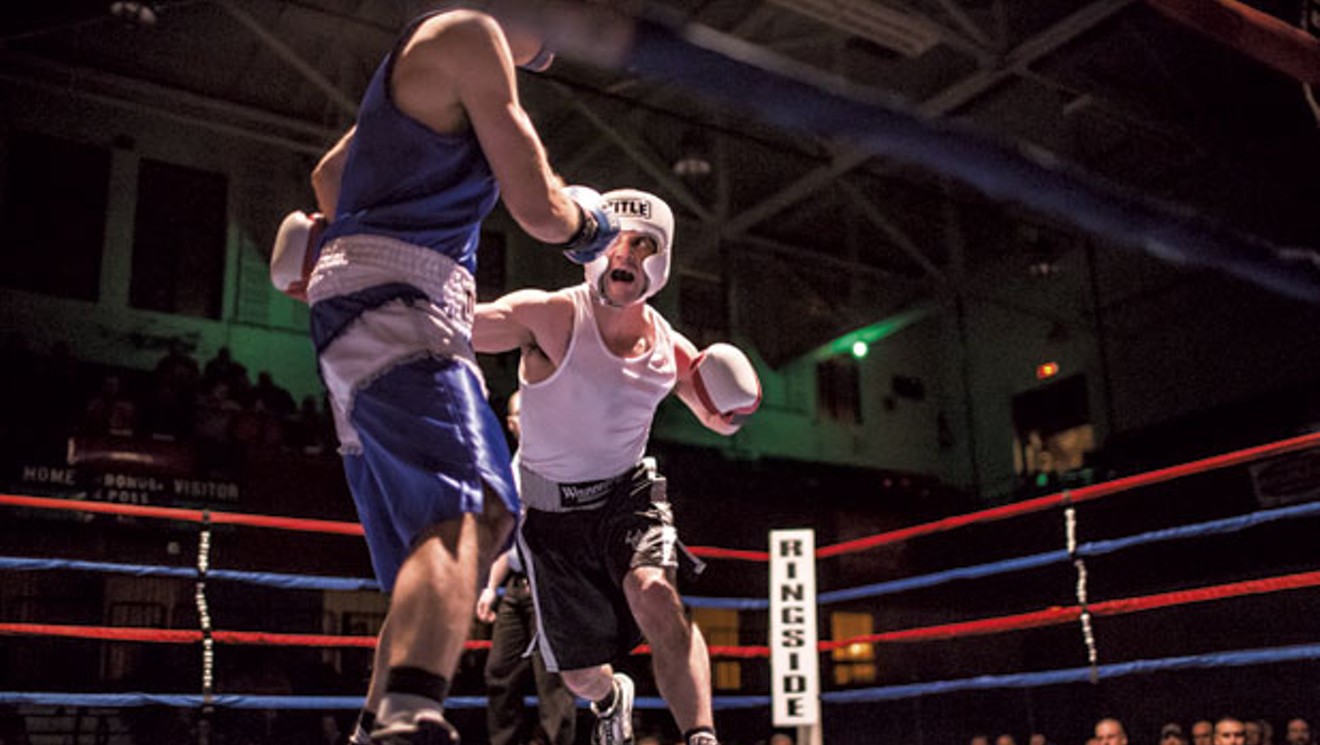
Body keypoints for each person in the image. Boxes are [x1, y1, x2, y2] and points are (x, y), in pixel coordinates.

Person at [304, 3, 620, 743]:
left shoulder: (424, 57)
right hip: (401, 294)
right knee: (471, 509)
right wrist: (587, 223)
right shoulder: (471, 33)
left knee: (456, 529)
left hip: (367, 302)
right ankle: (407, 720)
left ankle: (377, 720)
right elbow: (539, 209)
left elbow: (327, 183)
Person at [474, 188, 758, 745]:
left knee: (656, 593)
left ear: (662, 259)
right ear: (590, 249)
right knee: (579, 675)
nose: (624, 254)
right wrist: (383, 291)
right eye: (614, 241)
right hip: (549, 514)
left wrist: (735, 399)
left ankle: (701, 735)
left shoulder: (668, 349)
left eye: (642, 244)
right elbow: (462, 325)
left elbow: (720, 419)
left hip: (627, 496)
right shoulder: (550, 317)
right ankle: (611, 697)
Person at [477, 391, 576, 745]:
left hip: (547, 583)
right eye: (523, 412)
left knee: (552, 680)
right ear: (512, 423)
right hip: (517, 586)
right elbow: (508, 533)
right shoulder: (512, 465)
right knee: (499, 673)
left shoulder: (555, 459)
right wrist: (490, 587)